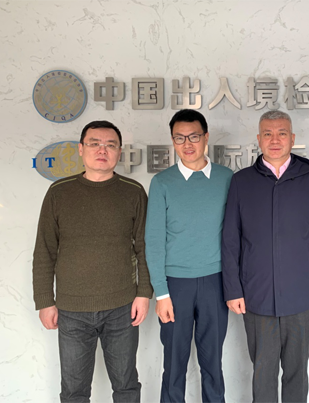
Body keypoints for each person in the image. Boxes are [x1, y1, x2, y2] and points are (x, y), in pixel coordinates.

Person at [32, 120, 152, 403]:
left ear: (119, 151)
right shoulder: (59, 192)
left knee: (126, 386)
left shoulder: (133, 191)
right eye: (95, 143)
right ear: (81, 149)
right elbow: (45, 250)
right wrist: (45, 300)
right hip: (72, 309)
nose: (102, 150)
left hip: (122, 307)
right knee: (74, 391)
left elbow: (144, 247)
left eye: (110, 145)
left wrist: (144, 294)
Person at [221, 110, 309, 403]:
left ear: (292, 138)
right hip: (256, 297)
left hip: (302, 297)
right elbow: (230, 240)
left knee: (297, 372)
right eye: (268, 134)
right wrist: (233, 289)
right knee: (263, 373)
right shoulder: (242, 181)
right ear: (258, 139)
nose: (275, 140)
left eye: (281, 133)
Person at [145, 109, 233, 403]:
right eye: (179, 138)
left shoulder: (226, 178)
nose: (187, 144)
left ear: (206, 137)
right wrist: (161, 294)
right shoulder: (162, 182)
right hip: (175, 285)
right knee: (174, 364)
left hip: (215, 282)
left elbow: (235, 234)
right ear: (173, 141)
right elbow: (154, 240)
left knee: (213, 363)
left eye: (194, 136)